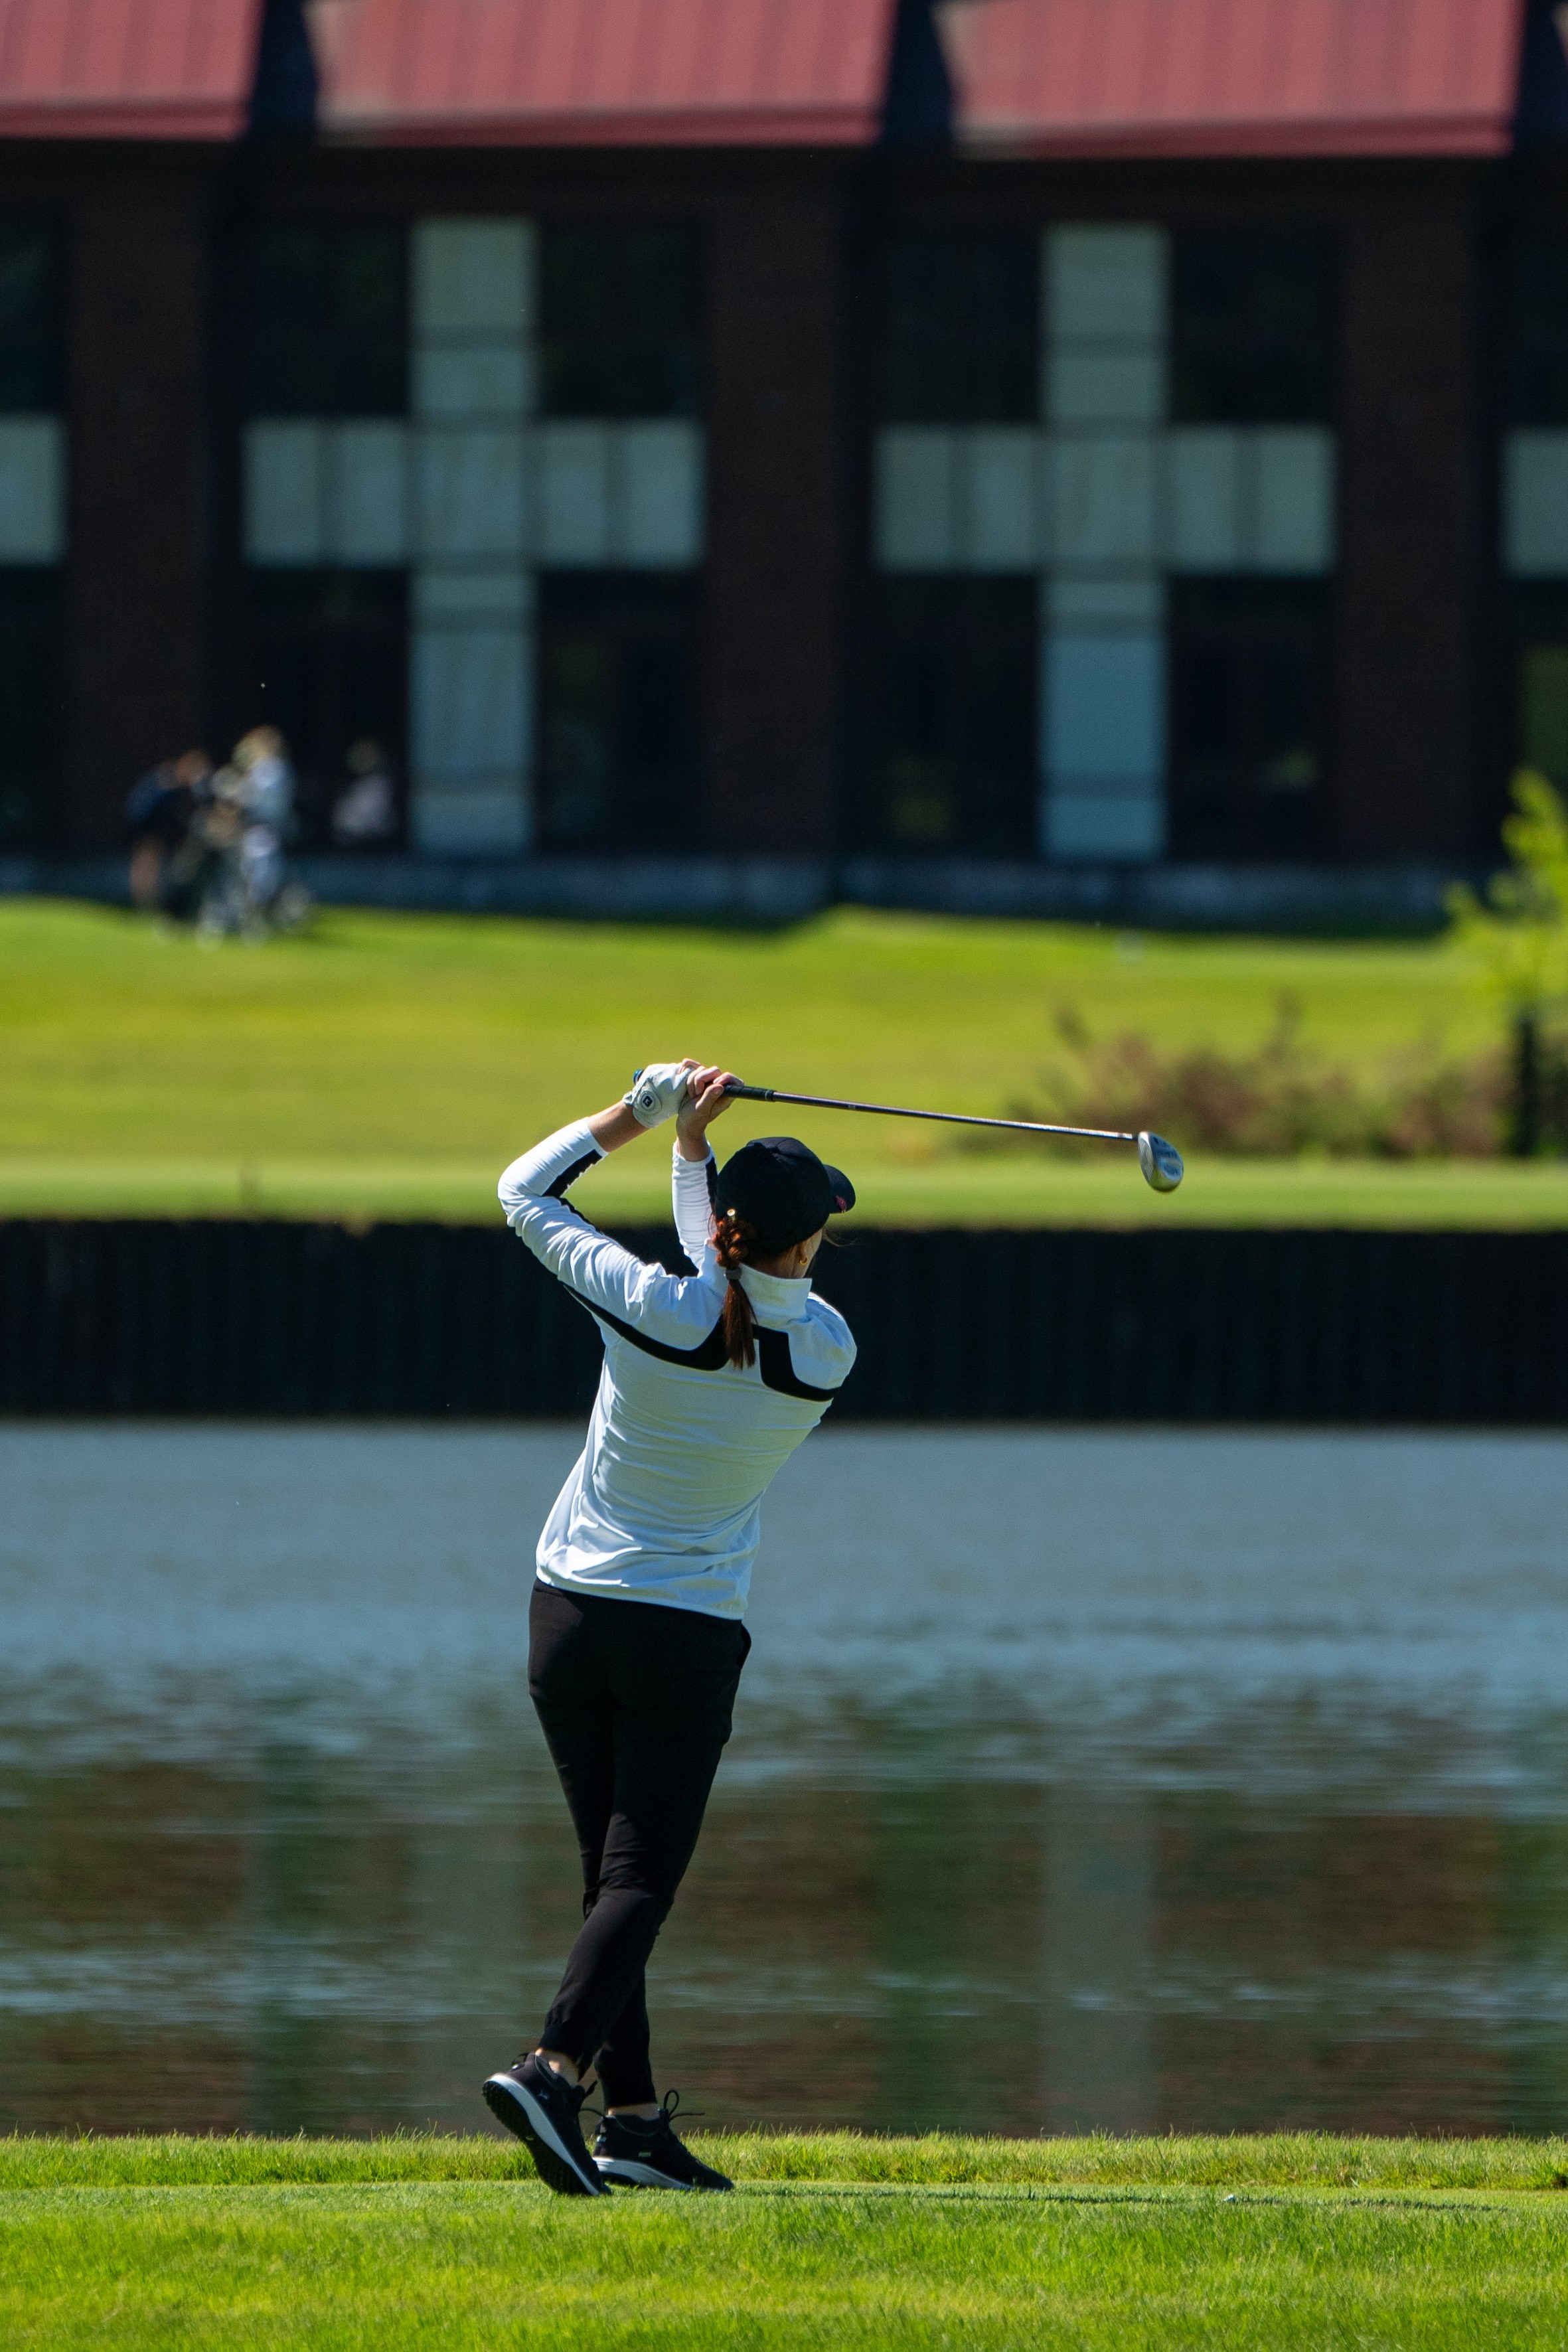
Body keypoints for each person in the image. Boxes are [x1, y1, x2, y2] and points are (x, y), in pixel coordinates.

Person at [483, 1061, 856, 2195]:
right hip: (683, 1637)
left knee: (612, 1880)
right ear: (799, 1247)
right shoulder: (826, 1350)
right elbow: (733, 1285)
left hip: (568, 1620)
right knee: (638, 1880)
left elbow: (521, 1193)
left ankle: (633, 2125)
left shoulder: (654, 1306)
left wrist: (647, 1120)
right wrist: (694, 1159)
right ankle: (552, 2072)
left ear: (730, 1232)